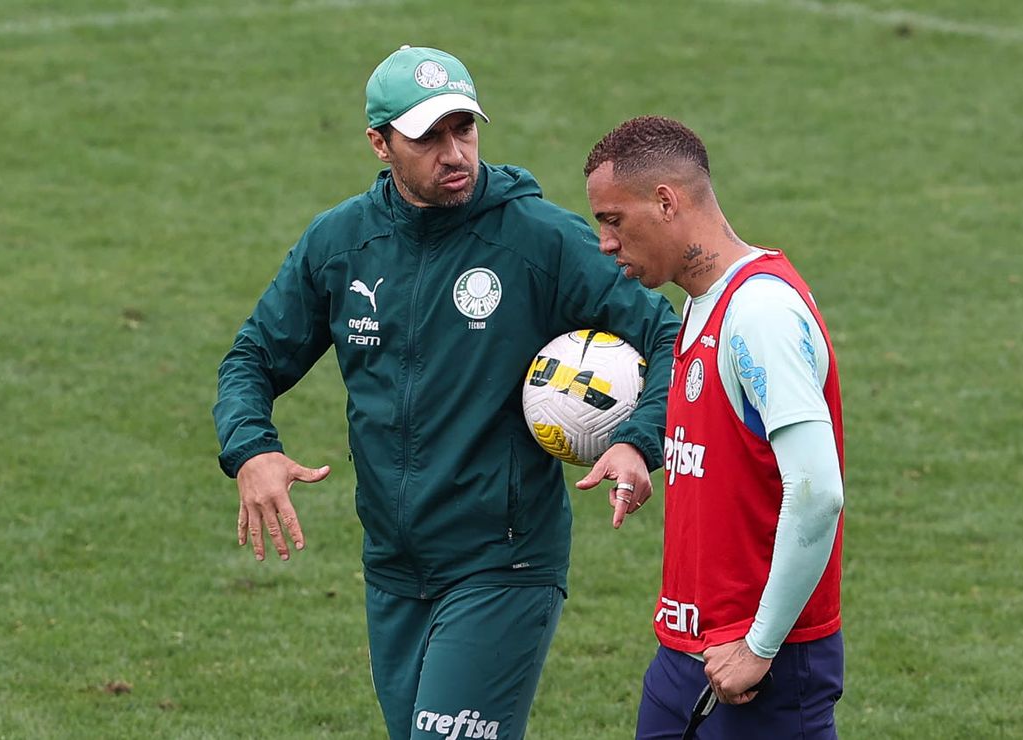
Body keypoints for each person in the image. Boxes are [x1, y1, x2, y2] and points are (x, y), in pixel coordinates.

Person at [213, 47, 679, 740]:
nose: (454, 151)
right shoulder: (341, 245)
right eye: (428, 137)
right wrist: (251, 450)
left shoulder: (539, 240)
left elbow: (669, 337)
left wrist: (640, 443)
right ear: (380, 143)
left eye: (464, 129)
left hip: (504, 564)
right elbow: (252, 357)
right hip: (395, 571)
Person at [584, 116, 847, 739]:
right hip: (686, 650)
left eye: (613, 220)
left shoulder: (760, 314)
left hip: (755, 666)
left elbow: (817, 492)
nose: (603, 242)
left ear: (666, 201)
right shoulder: (702, 303)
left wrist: (759, 647)